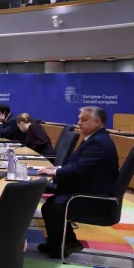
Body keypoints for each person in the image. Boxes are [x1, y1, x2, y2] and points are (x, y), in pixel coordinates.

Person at [36, 106, 119, 258]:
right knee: (53, 203)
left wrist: (55, 172)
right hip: (88, 189)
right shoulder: (95, 139)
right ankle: (66, 243)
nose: (79, 123)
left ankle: (61, 247)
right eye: (79, 119)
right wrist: (59, 168)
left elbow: (79, 169)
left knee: (53, 206)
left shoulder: (98, 143)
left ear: (97, 122)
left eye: (84, 119)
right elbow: (79, 164)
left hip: (95, 199)